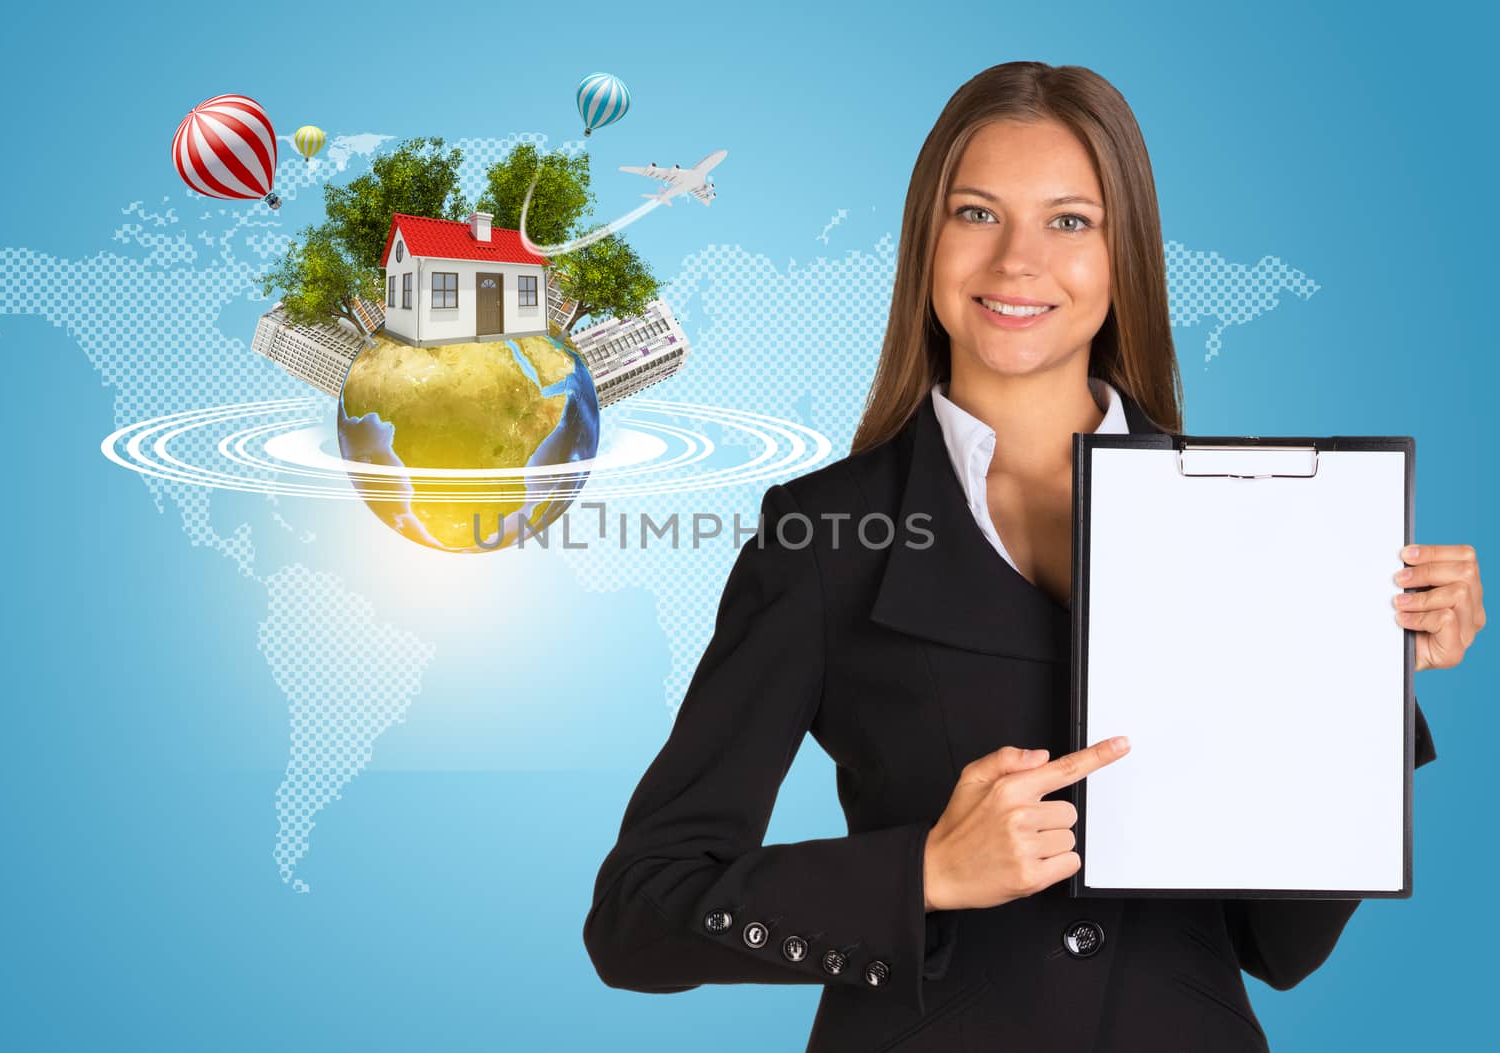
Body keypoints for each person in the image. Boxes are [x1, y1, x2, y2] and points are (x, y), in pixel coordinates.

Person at [581, 61, 1485, 1052]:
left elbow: (1275, 943)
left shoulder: (1262, 529)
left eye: (1069, 221)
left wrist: (1364, 681)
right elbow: (638, 918)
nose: (1018, 261)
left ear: (1122, 254)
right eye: (976, 213)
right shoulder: (826, 535)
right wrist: (923, 873)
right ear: (927, 240)